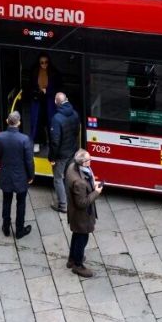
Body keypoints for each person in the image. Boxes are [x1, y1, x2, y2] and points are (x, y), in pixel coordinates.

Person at [0, 111, 33, 238]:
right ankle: (19, 230)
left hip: (6, 175)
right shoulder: (24, 139)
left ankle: (6, 227)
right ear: (19, 123)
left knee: (6, 201)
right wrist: (31, 176)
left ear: (7, 122)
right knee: (21, 203)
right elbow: (29, 161)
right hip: (21, 177)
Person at [65, 149, 103, 277]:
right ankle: (78, 265)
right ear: (83, 163)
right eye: (89, 159)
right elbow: (82, 203)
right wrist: (96, 192)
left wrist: (92, 184)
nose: (91, 161)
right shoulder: (79, 183)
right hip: (81, 216)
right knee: (82, 238)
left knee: (76, 235)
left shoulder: (72, 167)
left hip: (75, 214)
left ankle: (72, 259)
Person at [49, 92, 80, 212]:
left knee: (57, 178)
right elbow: (77, 131)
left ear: (56, 102)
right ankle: (71, 199)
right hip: (72, 150)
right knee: (69, 175)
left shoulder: (56, 119)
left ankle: (63, 205)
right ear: (66, 99)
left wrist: (52, 157)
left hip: (61, 155)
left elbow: (55, 142)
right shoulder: (75, 113)